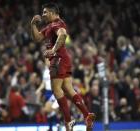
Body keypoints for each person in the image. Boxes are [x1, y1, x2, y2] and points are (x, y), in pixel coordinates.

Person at [30, 3, 95, 131]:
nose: (43, 15)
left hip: (58, 59)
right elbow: (37, 38)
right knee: (68, 89)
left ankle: (68, 120)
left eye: (45, 12)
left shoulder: (57, 24)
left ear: (52, 13)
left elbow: (63, 35)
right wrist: (32, 24)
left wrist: (53, 50)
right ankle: (87, 114)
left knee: (57, 90)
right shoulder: (49, 26)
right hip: (64, 59)